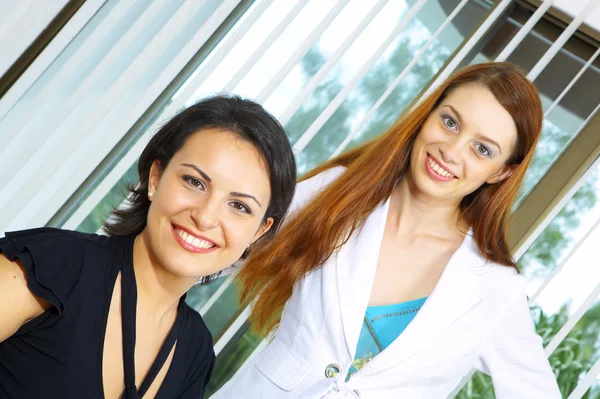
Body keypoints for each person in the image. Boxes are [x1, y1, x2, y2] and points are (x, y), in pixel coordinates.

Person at [213, 63, 561, 398]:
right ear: (427, 116)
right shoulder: (340, 192)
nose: (451, 151)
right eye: (450, 122)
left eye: (482, 149)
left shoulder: (494, 288)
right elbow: (229, 242)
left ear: (500, 172)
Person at [0, 95, 297, 399]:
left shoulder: (195, 351)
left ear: (259, 231)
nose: (205, 217)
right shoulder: (51, 264)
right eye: (195, 182)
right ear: (156, 178)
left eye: (238, 205)